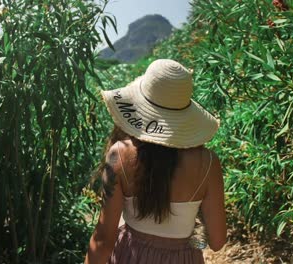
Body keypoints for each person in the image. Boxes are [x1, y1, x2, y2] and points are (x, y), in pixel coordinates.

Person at [85, 59, 227, 264]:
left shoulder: (120, 155)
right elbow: (217, 241)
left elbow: (102, 240)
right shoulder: (208, 163)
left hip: (129, 256)